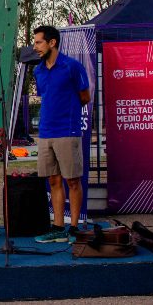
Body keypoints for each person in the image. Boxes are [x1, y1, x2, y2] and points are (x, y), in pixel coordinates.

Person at [32, 25, 90, 243]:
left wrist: (69, 113)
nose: (35, 47)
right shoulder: (37, 70)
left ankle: (73, 227)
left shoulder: (72, 67)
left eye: (38, 42)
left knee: (73, 181)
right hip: (45, 133)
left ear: (52, 42)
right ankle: (58, 226)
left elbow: (85, 97)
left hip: (67, 131)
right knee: (54, 181)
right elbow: (45, 96)